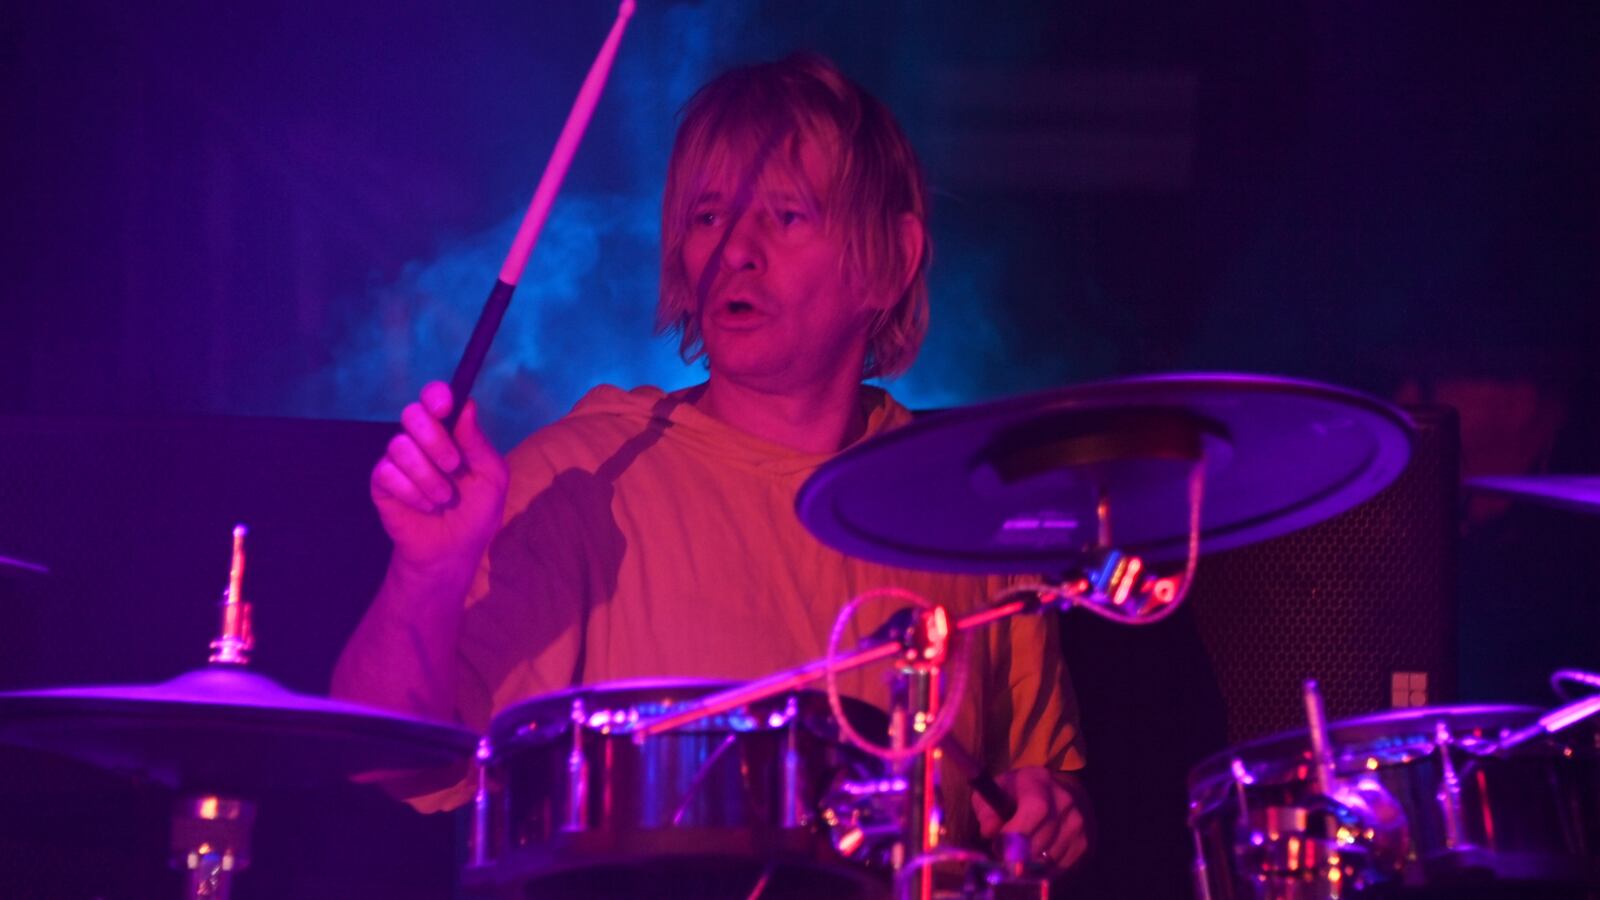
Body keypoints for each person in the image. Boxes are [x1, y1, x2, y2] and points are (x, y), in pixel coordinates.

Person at [332, 53, 1089, 872]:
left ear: (890, 261)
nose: (735, 251)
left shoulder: (969, 508)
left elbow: (1040, 783)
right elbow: (386, 760)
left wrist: (1048, 809)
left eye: (787, 216)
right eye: (707, 217)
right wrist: (425, 573)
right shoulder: (583, 481)